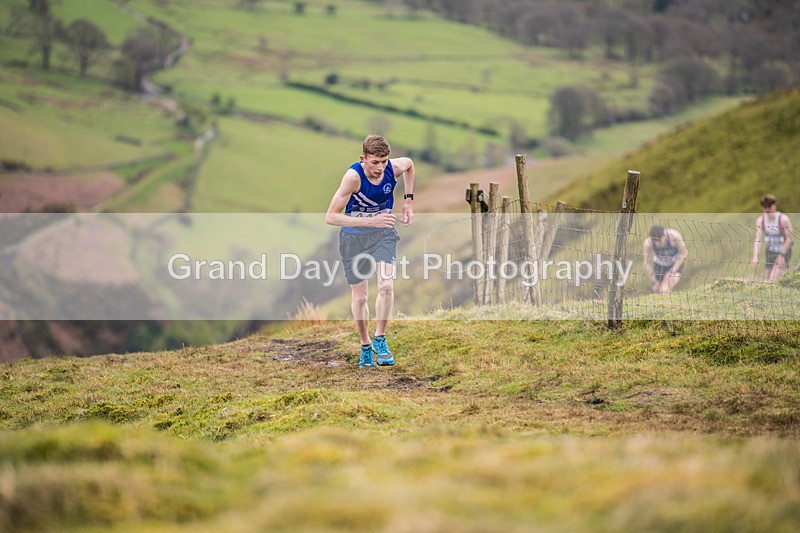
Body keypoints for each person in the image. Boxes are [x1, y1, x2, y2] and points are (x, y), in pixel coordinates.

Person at [325, 135, 415, 369]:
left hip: (383, 235)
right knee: (361, 297)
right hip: (353, 240)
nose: (379, 168)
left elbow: (410, 164)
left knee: (386, 286)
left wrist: (408, 202)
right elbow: (331, 216)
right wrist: (371, 222)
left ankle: (381, 339)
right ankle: (365, 346)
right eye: (375, 162)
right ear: (363, 159)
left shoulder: (392, 168)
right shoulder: (353, 178)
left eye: (384, 161)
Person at [752, 194, 793, 281]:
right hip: (770, 252)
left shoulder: (783, 219)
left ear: (774, 206)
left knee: (774, 277)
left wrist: (781, 255)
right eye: (764, 206)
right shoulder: (761, 220)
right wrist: (755, 256)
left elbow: (789, 239)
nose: (767, 209)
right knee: (767, 278)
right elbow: (758, 239)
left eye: (769, 206)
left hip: (784, 251)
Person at [643, 225, 689, 295]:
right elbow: (646, 262)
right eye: (655, 241)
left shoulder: (674, 236)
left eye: (659, 240)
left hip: (674, 264)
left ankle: (667, 302)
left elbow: (684, 252)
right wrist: (653, 279)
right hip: (659, 265)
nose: (658, 244)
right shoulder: (648, 242)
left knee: (664, 289)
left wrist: (673, 270)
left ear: (664, 235)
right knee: (656, 289)